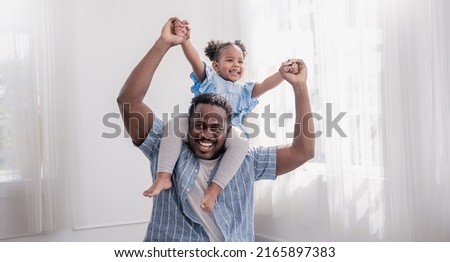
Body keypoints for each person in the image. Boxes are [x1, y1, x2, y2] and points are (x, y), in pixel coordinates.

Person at [117, 17, 315, 241]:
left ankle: (214, 185)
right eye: (199, 125)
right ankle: (165, 173)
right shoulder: (166, 148)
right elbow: (129, 101)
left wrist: (299, 86)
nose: (205, 133)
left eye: (215, 127)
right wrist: (166, 43)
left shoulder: (246, 159)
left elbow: (303, 152)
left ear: (227, 127)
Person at [143, 18, 287, 213]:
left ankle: (214, 189)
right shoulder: (211, 80)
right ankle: (163, 176)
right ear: (216, 66)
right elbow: (195, 61)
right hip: (200, 125)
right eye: (230, 60)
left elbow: (265, 85)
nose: (236, 64)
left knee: (242, 142)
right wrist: (185, 40)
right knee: (175, 124)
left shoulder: (244, 91)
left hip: (226, 131)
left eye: (240, 61)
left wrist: (282, 73)